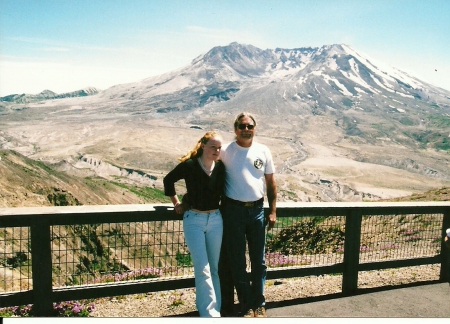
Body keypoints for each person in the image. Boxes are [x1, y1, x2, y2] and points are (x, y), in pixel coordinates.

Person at [220, 112, 277, 318]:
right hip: (232, 212)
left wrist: (272, 210)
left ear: (255, 128)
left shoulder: (263, 150)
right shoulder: (225, 151)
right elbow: (206, 168)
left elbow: (270, 183)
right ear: (235, 129)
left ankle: (259, 303)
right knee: (237, 261)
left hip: (257, 212)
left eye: (249, 126)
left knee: (259, 260)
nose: (246, 130)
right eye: (242, 126)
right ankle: (246, 305)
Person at [163, 131, 225, 317]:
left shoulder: (220, 167)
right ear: (203, 145)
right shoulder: (190, 166)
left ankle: (214, 308)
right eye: (213, 146)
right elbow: (168, 180)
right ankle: (210, 315)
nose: (216, 150)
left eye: (219, 148)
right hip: (194, 221)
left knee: (213, 268)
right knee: (202, 268)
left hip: (215, 219)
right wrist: (176, 203)